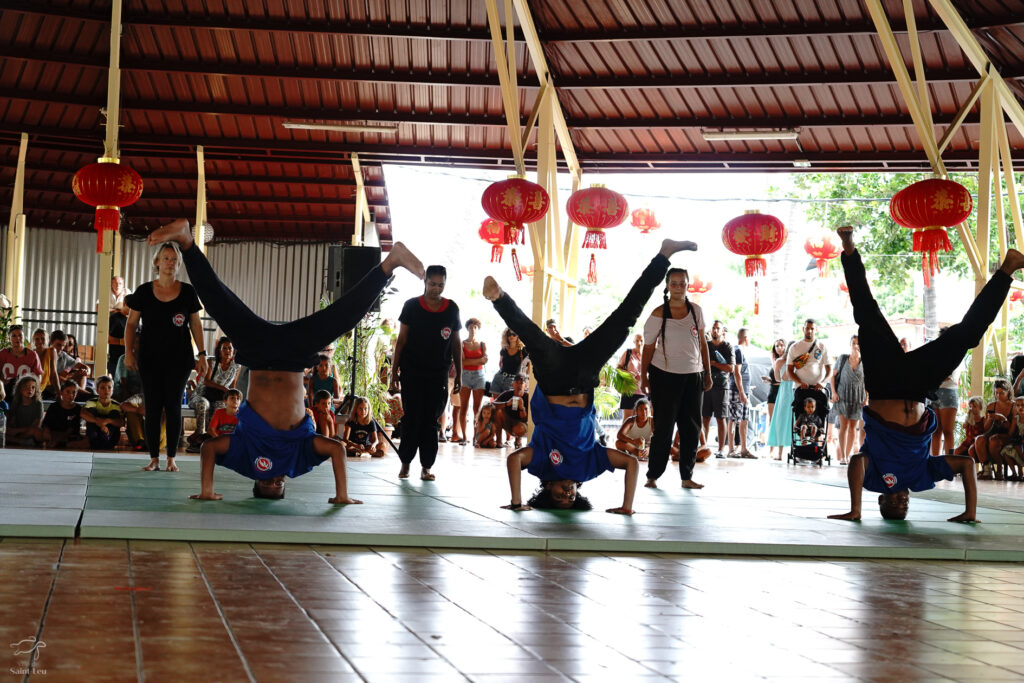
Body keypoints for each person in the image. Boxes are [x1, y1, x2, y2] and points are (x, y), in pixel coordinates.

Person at [147, 218, 422, 504]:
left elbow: (209, 449)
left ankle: (187, 243)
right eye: (279, 484)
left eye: (267, 482)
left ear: (256, 479)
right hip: (293, 356)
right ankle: (391, 262)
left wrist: (207, 490)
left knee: (219, 301)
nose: (274, 478)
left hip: (258, 353)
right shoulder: (298, 459)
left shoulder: (246, 456)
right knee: (343, 316)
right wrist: (342, 495)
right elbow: (337, 450)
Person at [827, 227, 1022, 523]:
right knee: (967, 336)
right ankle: (1007, 269)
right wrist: (970, 511)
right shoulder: (921, 478)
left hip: (884, 382)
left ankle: (849, 250)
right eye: (904, 507)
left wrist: (856, 510)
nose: (901, 502)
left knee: (866, 314)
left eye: (893, 506)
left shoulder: (875, 478)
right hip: (919, 386)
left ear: (882, 499)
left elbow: (856, 461)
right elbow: (966, 464)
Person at [489, 239, 697, 514]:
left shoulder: (541, 465)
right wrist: (627, 507)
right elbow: (632, 464)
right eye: (571, 499)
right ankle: (663, 255)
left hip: (554, 381)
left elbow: (515, 460)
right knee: (624, 318)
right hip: (584, 378)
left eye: (560, 497)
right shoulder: (589, 467)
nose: (568, 493)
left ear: (547, 490)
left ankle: (498, 298)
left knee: (533, 337)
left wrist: (517, 503)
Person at [125, 240, 207, 473]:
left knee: (173, 406)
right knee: (152, 406)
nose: (169, 263)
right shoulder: (143, 291)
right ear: (157, 262)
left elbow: (195, 323)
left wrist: (202, 354)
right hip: (149, 358)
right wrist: (129, 353)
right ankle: (153, 458)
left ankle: (171, 457)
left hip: (179, 359)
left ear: (179, 264)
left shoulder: (188, 292)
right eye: (166, 258)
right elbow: (131, 324)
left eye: (174, 259)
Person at [640, 267, 711, 489]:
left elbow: (702, 343)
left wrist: (707, 373)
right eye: (674, 283)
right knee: (663, 427)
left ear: (687, 285)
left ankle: (686, 477)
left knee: (691, 428)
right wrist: (644, 376)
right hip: (664, 376)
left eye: (682, 283)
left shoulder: (696, 311)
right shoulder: (657, 314)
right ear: (668, 286)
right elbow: (648, 348)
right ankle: (653, 475)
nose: (678, 287)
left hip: (693, 375)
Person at [390, 265, 462, 481]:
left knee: (431, 420)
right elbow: (401, 341)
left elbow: (456, 343)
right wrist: (394, 372)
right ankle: (405, 464)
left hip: (438, 374)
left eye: (441, 285)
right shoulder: (411, 306)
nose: (436, 289)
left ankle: (427, 467)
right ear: (425, 282)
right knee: (412, 418)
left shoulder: (452, 309)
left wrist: (459, 373)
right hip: (412, 371)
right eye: (432, 284)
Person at [188, 336, 240, 451]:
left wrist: (233, 399)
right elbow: (206, 381)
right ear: (219, 351)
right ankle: (199, 436)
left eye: (230, 348)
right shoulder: (212, 361)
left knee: (221, 408)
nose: (227, 351)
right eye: (224, 348)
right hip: (201, 395)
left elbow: (233, 385)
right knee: (203, 404)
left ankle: (209, 439)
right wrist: (222, 388)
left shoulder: (236, 366)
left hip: (219, 397)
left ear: (233, 350)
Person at [830, 335, 866, 465]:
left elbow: (867, 383)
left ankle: (849, 454)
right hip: (843, 395)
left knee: (853, 428)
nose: (856, 346)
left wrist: (865, 398)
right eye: (853, 343)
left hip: (857, 398)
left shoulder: (865, 361)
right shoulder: (843, 358)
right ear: (850, 344)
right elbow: (832, 377)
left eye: (858, 343)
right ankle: (843, 457)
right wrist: (833, 392)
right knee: (843, 427)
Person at [702, 320, 734, 458]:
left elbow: (731, 368)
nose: (715, 331)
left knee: (721, 418)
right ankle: (703, 446)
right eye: (713, 328)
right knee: (705, 417)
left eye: (718, 328)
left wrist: (714, 363)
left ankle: (721, 449)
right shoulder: (706, 345)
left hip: (721, 386)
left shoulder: (727, 347)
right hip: (706, 385)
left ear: (723, 332)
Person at [454, 317, 488, 445]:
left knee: (477, 408)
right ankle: (464, 436)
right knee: (463, 407)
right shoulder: (462, 344)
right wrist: (478, 361)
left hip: (479, 375)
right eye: (470, 327)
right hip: (466, 375)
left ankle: (475, 437)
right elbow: (462, 362)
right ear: (467, 328)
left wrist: (472, 361)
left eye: (475, 327)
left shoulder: (482, 344)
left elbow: (485, 360)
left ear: (478, 329)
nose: (473, 329)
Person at [973, 378, 1014, 480]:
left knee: (993, 440)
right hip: (993, 434)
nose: (998, 396)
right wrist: (990, 419)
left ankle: (999, 470)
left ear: (1008, 392)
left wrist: (1003, 419)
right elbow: (985, 429)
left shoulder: (1014, 406)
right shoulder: (991, 406)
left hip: (1009, 436)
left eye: (1001, 393)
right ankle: (987, 470)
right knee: (979, 439)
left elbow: (1012, 431)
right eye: (996, 393)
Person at [930, 327, 961, 456]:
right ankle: (935, 460)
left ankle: (950, 460)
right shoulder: (938, 355)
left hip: (948, 392)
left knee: (947, 431)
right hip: (935, 392)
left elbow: (948, 376)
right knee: (936, 431)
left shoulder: (956, 354)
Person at [726, 327, 754, 458]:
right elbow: (736, 373)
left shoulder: (741, 351)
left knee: (744, 419)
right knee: (733, 419)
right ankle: (731, 449)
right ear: (746, 338)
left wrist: (747, 390)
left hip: (744, 390)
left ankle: (744, 449)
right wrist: (742, 392)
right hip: (737, 391)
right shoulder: (737, 350)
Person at [41, 380, 89, 449]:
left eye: (74, 392)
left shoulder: (78, 408)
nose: (71, 395)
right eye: (68, 392)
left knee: (86, 441)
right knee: (42, 434)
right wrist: (47, 433)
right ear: (61, 392)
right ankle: (57, 442)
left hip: (69, 436)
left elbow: (73, 428)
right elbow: (46, 424)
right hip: (55, 434)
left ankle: (61, 444)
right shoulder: (54, 407)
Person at [81, 376, 124, 450]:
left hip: (110, 437)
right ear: (97, 390)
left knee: (114, 413)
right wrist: (97, 421)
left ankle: (106, 435)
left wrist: (108, 421)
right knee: (91, 411)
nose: (106, 390)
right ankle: (96, 438)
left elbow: (121, 423)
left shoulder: (116, 405)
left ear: (113, 390)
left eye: (109, 387)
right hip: (94, 434)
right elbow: (82, 414)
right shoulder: (92, 402)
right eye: (103, 388)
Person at [0, 325, 43, 398]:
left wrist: (34, 389)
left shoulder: (32, 355)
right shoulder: (2, 354)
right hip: (5, 392)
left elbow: (38, 375)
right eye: (14, 336)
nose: (18, 338)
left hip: (25, 393)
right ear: (9, 339)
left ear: (24, 337)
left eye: (20, 335)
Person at [492, 372, 529, 447]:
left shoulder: (527, 397)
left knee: (519, 428)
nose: (519, 385)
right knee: (498, 412)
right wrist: (507, 403)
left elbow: (526, 418)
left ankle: (518, 440)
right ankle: (499, 441)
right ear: (513, 384)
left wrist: (522, 408)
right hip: (508, 422)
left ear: (525, 386)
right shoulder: (507, 394)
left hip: (520, 424)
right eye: (517, 383)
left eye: (521, 383)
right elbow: (492, 404)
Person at [490, 328, 529, 398]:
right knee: (496, 404)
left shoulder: (523, 350)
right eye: (509, 334)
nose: (511, 336)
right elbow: (500, 364)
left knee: (508, 404)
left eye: (514, 334)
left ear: (518, 336)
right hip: (499, 377)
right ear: (506, 336)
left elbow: (529, 365)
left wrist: (524, 379)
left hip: (513, 380)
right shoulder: (504, 349)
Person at [6, 374, 44, 446]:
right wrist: (11, 429)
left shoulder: (38, 403)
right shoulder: (16, 401)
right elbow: (12, 420)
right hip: (18, 432)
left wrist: (16, 431)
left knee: (36, 431)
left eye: (33, 387)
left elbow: (37, 425)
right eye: (27, 387)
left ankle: (17, 441)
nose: (30, 390)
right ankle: (22, 441)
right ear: (20, 389)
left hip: (29, 431)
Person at [616, 333, 646, 421]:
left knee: (642, 419)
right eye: (637, 340)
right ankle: (623, 435)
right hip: (629, 391)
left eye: (641, 341)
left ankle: (638, 435)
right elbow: (618, 368)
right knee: (628, 419)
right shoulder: (628, 353)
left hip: (642, 392)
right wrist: (628, 374)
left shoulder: (647, 355)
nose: (639, 343)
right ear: (633, 341)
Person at [108, 275, 132, 375]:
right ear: (124, 305)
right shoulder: (115, 318)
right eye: (131, 306)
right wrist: (124, 341)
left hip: (128, 358)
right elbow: (108, 338)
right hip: (116, 359)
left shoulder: (132, 320)